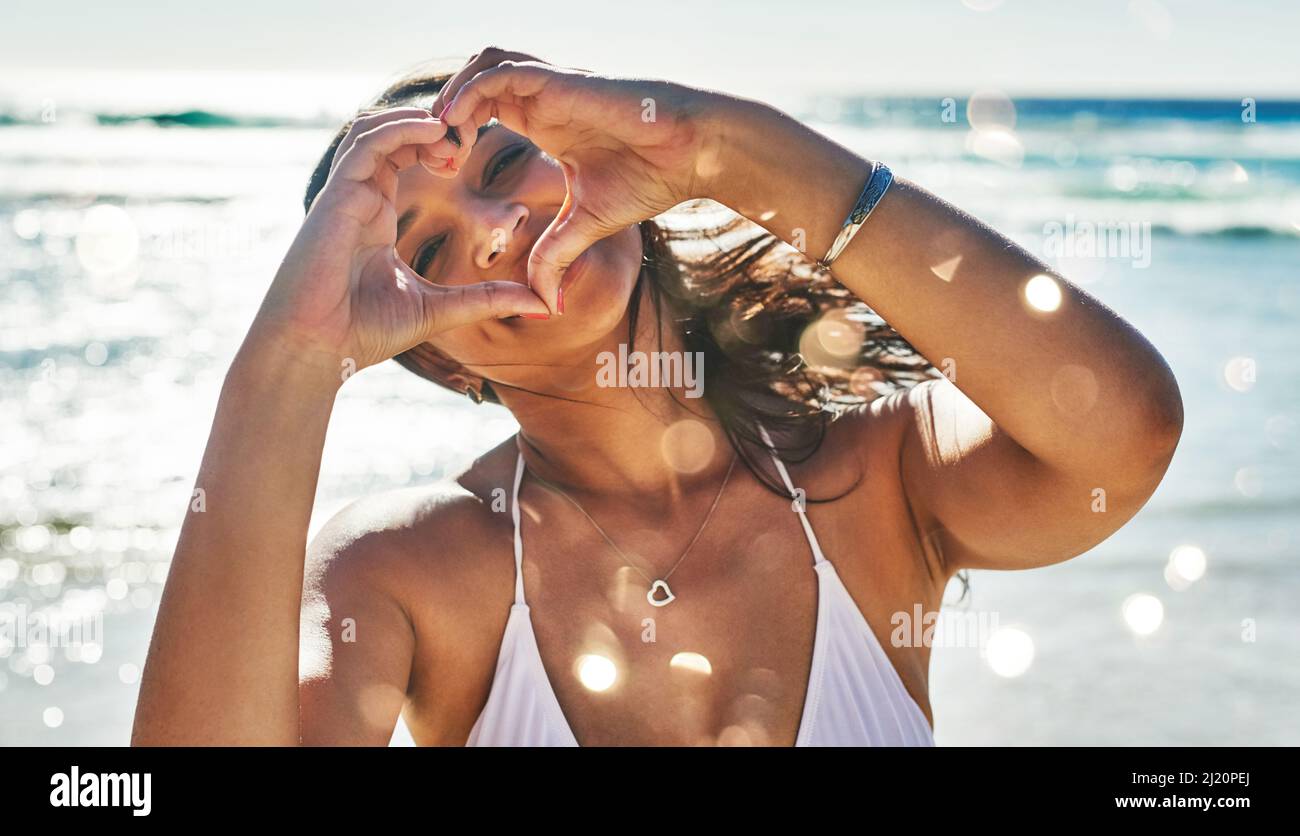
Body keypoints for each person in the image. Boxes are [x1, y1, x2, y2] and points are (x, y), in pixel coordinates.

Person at [132, 47, 1183, 746]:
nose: (497, 225)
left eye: (502, 162)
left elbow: (1123, 435)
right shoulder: (403, 568)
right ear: (444, 357)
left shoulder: (874, 471)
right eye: (435, 248)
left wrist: (721, 149)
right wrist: (294, 357)